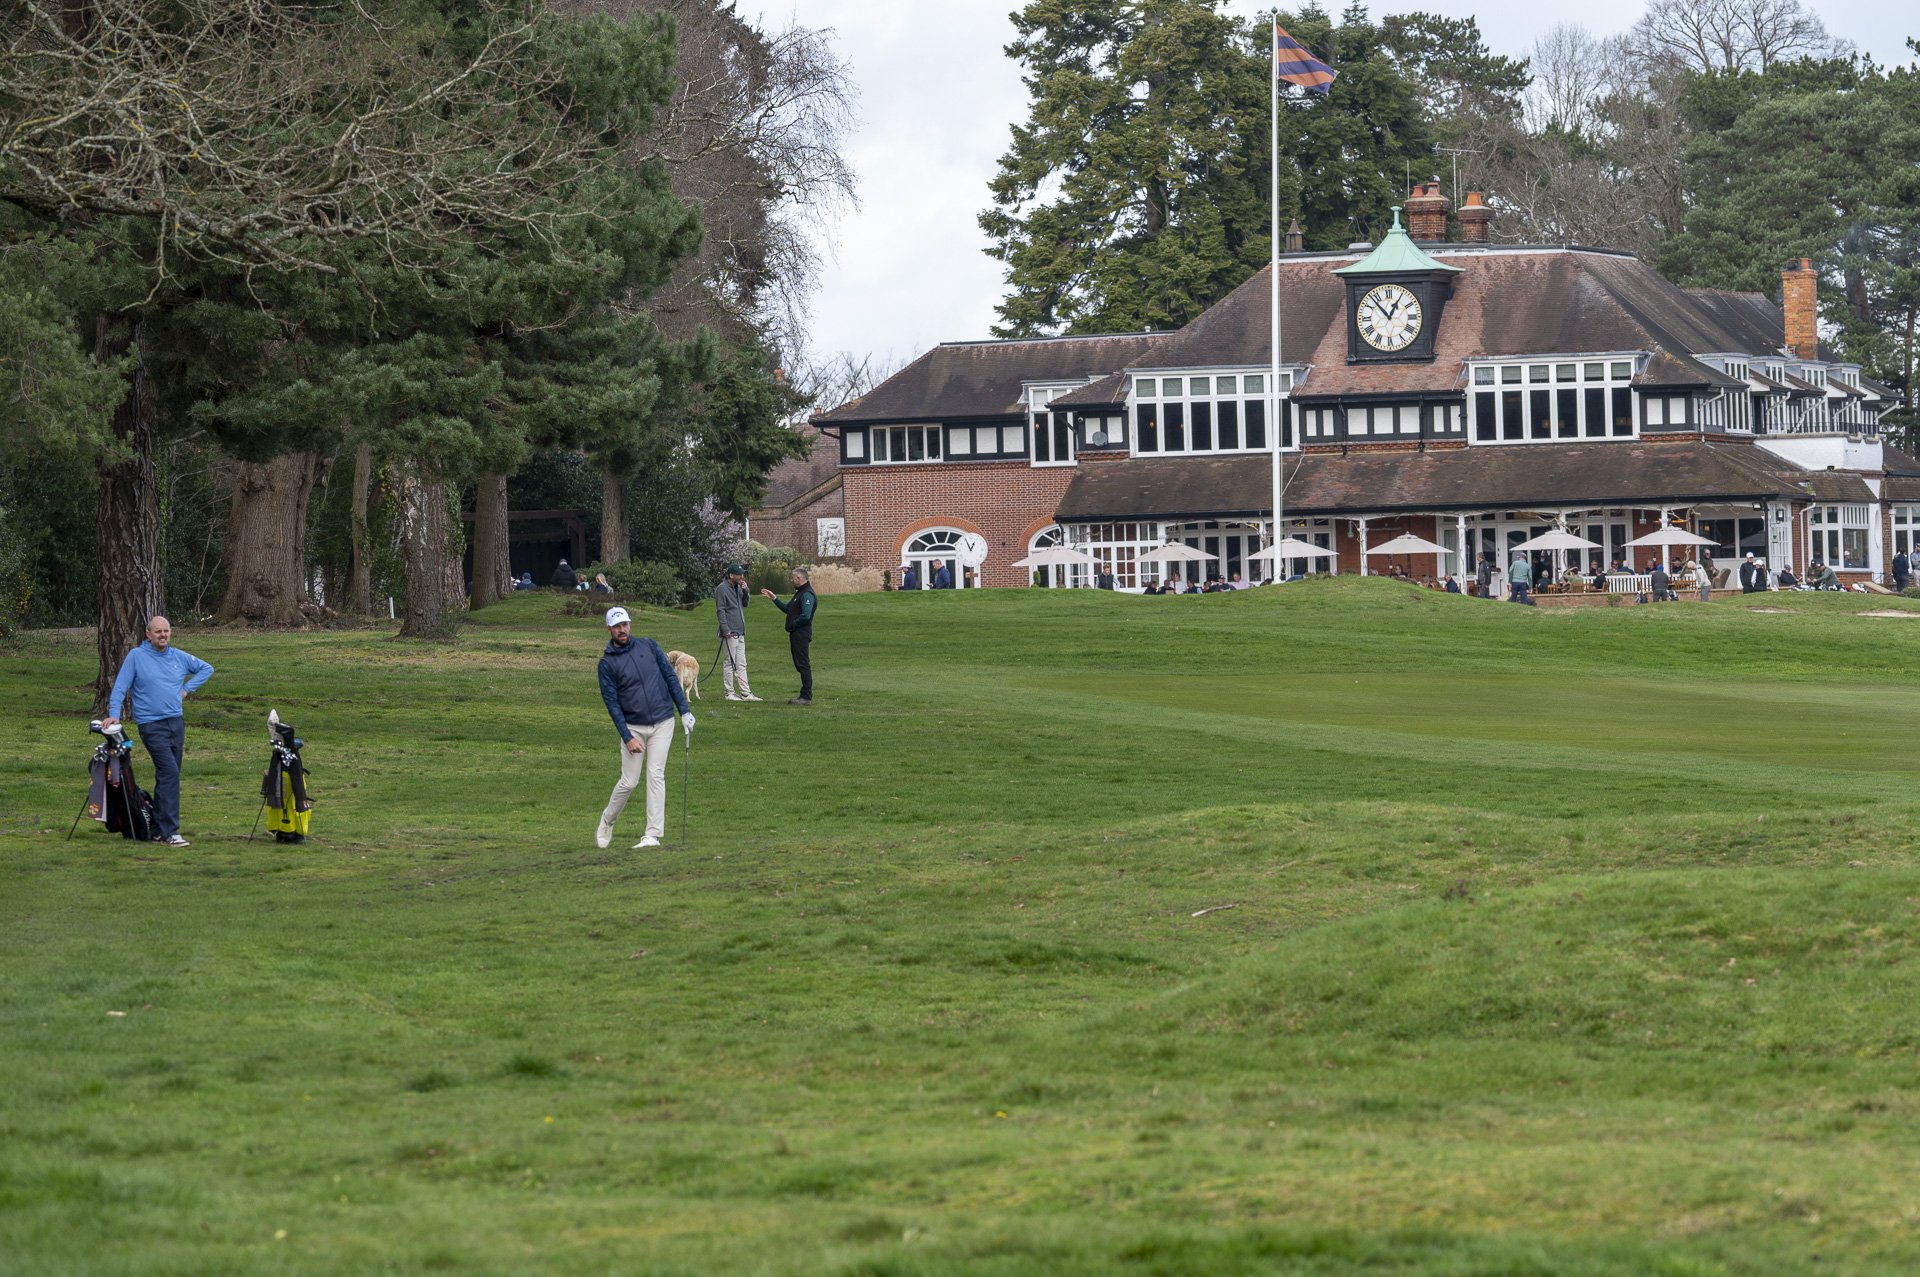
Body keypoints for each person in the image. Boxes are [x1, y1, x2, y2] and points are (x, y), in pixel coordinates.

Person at [102, 615, 214, 848]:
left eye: (166, 631)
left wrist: (186, 690)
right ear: (148, 634)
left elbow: (206, 668)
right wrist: (114, 712)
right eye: (158, 632)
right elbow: (121, 686)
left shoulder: (178, 656)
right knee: (170, 772)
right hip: (151, 726)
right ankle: (171, 832)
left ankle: (157, 830)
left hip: (176, 723)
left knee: (168, 777)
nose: (163, 635)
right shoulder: (136, 657)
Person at [594, 606, 694, 850]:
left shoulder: (649, 646)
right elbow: (612, 705)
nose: (622, 630)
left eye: (625, 624)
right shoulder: (606, 664)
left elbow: (670, 678)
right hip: (633, 726)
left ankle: (652, 835)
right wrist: (627, 737)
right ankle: (607, 820)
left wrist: (685, 711)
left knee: (655, 774)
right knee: (629, 781)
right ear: (609, 629)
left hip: (663, 721)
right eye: (617, 626)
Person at [761, 567, 817, 705]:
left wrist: (793, 625)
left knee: (803, 664)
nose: (792, 580)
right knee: (800, 664)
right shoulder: (800, 593)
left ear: (799, 578)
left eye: (793, 578)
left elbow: (806, 616)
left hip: (801, 634)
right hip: (796, 634)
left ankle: (806, 696)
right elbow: (788, 609)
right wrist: (774, 598)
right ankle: (805, 695)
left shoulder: (807, 594)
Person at [714, 563, 760, 702]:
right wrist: (725, 629)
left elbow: (745, 604)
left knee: (741, 663)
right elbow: (720, 610)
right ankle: (729, 693)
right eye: (739, 575)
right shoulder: (722, 589)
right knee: (729, 662)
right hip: (729, 632)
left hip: (740, 631)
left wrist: (746, 590)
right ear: (731, 575)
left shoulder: (738, 587)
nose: (742, 577)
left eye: (742, 574)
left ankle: (746, 693)